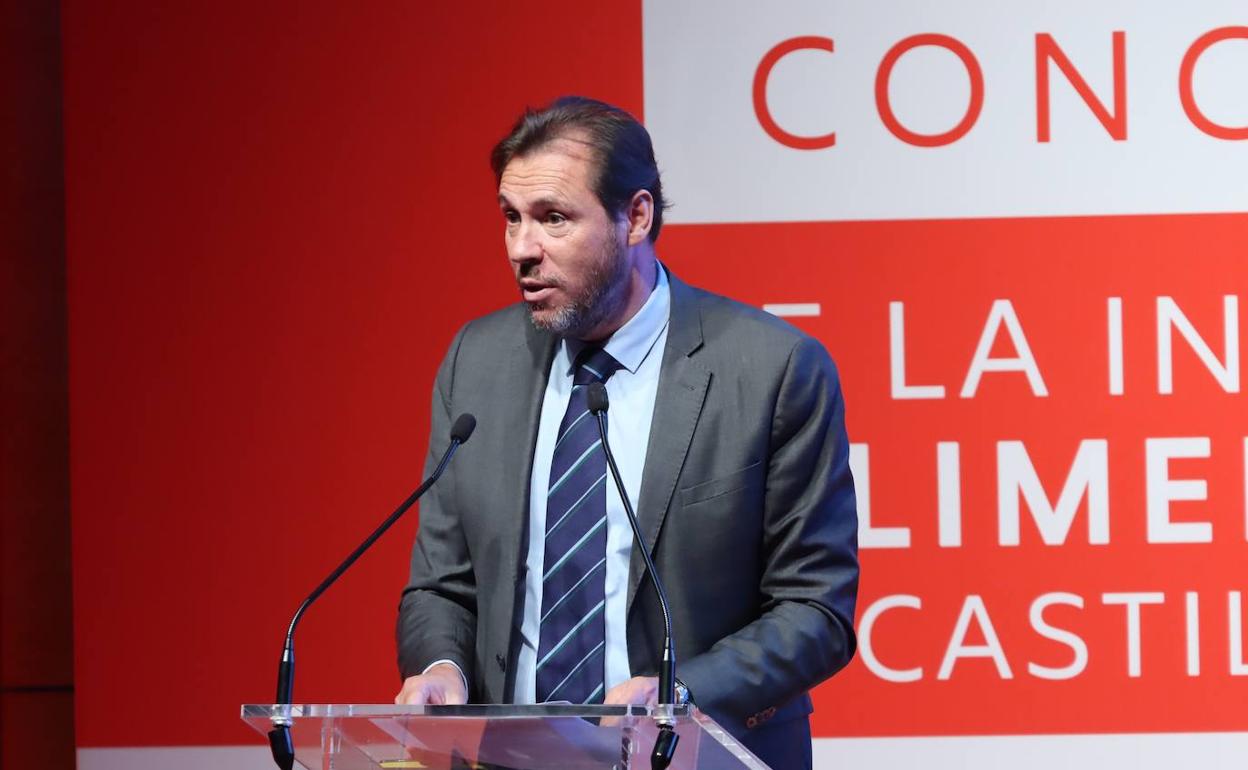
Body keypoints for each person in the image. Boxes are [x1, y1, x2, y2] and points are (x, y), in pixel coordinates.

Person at [395, 96, 858, 769]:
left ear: (635, 217)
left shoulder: (770, 370)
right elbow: (442, 585)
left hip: (694, 756)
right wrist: (442, 668)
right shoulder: (478, 362)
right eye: (511, 218)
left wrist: (679, 693)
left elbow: (815, 610)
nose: (523, 249)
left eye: (554, 218)